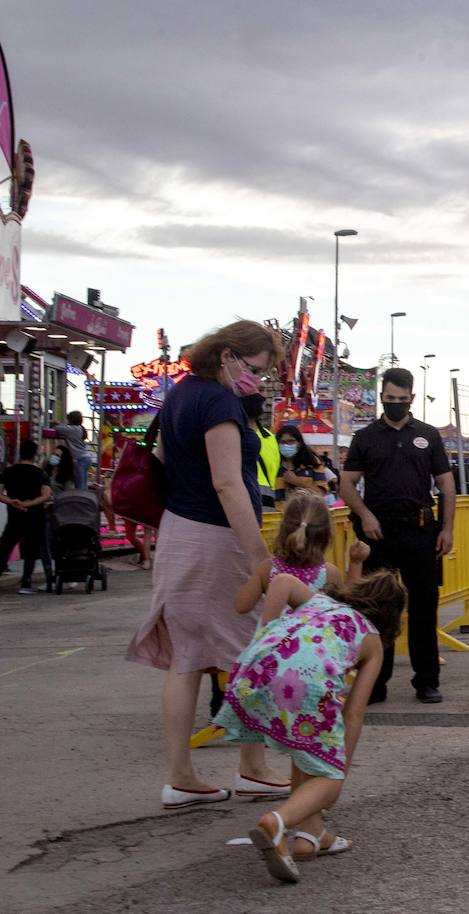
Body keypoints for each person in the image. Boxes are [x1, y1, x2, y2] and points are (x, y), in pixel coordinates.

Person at [125, 319, 289, 809]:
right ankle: (254, 768)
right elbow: (227, 483)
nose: (257, 381)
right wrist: (258, 555)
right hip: (215, 539)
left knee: (186, 659)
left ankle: (181, 776)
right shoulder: (219, 402)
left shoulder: (180, 394)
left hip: (178, 531)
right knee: (245, 652)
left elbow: (163, 458)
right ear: (228, 357)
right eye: (256, 370)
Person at [215, 562, 404, 883]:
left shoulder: (320, 601)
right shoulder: (371, 640)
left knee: (307, 750)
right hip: (303, 687)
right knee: (328, 778)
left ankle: (310, 836)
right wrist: (339, 769)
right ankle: (277, 822)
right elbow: (354, 712)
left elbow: (284, 580)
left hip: (254, 671)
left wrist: (266, 630)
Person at [341, 367, 455, 705]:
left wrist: (447, 528)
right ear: (381, 397)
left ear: (412, 399)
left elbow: (446, 484)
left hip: (420, 530)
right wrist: (364, 515)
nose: (395, 404)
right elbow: (346, 484)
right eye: (390, 399)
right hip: (379, 531)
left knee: (424, 607)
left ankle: (427, 681)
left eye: (401, 400)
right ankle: (376, 683)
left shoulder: (428, 435)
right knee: (379, 609)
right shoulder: (366, 437)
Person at [234, 493, 347, 612]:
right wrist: (356, 563)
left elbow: (241, 606)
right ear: (327, 536)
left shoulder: (268, 569)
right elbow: (344, 611)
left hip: (276, 630)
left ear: (282, 529)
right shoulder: (329, 573)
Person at [1, 439, 53, 594]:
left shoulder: (9, 471)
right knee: (30, 549)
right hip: (34, 516)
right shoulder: (40, 473)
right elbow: (45, 496)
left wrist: (12, 501)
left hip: (14, 516)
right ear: (35, 455)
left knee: (5, 547)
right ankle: (26, 583)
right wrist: (27, 504)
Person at [244, 394, 280, 510]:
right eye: (259, 390)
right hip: (259, 498)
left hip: (264, 500)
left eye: (262, 390)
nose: (263, 396)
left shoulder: (270, 437)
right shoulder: (269, 437)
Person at [275, 425, 328, 501]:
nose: (287, 445)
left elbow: (321, 493)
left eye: (291, 441)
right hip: (281, 511)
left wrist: (297, 481)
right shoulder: (275, 463)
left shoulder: (312, 462)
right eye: (283, 442)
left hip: (307, 511)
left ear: (299, 443)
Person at [50, 411, 92, 490]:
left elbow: (57, 428)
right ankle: (85, 499)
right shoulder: (80, 428)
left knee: (80, 485)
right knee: (83, 482)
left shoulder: (72, 430)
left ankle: (80, 500)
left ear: (71, 419)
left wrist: (56, 423)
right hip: (86, 458)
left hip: (80, 459)